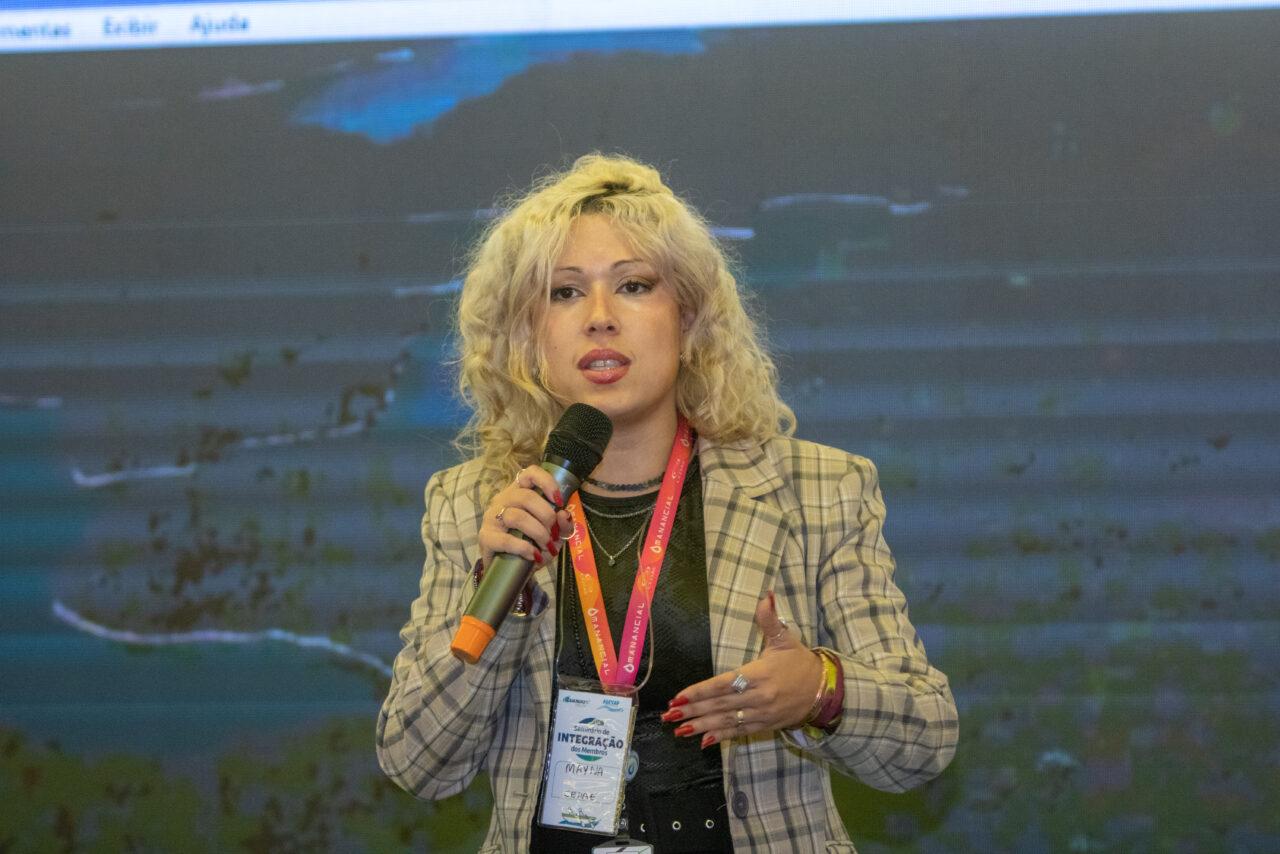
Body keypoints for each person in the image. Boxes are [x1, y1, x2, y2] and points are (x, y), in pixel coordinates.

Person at [376, 153, 958, 852]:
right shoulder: (474, 505)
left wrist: (819, 689)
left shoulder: (816, 489)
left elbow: (924, 741)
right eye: (565, 292)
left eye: (634, 285)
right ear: (528, 338)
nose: (599, 318)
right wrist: (506, 595)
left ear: (688, 319)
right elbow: (419, 765)